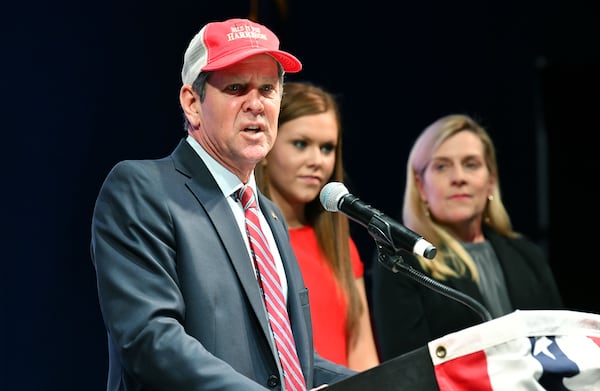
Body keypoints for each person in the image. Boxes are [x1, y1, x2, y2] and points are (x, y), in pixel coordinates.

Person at [90, 18, 356, 390]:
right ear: (192, 103)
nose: (256, 105)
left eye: (268, 89)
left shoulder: (270, 216)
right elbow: (151, 341)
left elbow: (291, 361)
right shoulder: (143, 189)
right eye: (236, 87)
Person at [370, 113, 563, 360]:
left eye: (471, 164)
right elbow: (407, 370)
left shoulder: (528, 256)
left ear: (491, 181)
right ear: (420, 186)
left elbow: (563, 347)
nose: (459, 178)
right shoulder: (401, 263)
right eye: (442, 166)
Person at [255, 81, 380, 371]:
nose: (316, 161)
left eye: (327, 148)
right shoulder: (247, 239)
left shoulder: (341, 247)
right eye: (301, 144)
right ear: (266, 148)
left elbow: (362, 353)